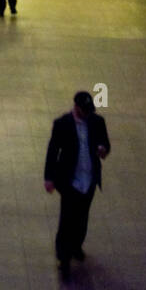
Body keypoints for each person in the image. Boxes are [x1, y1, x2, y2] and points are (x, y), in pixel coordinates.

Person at [44, 91, 110, 276]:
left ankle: (76, 246)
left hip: (89, 181)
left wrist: (103, 150)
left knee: (82, 217)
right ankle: (63, 258)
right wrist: (49, 178)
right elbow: (53, 151)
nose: (88, 114)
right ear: (76, 107)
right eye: (85, 110)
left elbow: (106, 143)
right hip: (70, 181)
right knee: (67, 220)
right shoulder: (62, 124)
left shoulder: (97, 122)